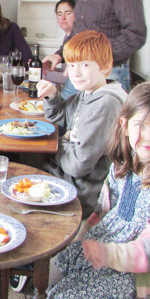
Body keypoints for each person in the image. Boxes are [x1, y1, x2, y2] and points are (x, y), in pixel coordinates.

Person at [21, 82, 150, 299]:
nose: (149, 137)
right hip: (107, 244)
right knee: (49, 269)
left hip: (141, 272)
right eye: (140, 125)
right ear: (125, 125)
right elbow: (102, 209)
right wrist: (84, 238)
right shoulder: (124, 163)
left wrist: (108, 254)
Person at [37, 31, 127, 219]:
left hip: (82, 193)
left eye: (85, 65)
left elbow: (78, 165)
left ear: (105, 67)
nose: (75, 73)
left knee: (11, 174)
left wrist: (58, 142)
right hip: (66, 176)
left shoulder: (106, 104)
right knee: (13, 163)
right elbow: (59, 117)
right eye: (71, 65)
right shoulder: (87, 93)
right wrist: (52, 96)